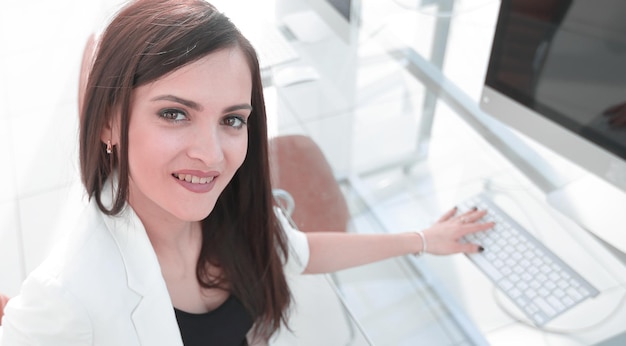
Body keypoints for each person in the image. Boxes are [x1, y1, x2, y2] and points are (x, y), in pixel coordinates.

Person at [0, 0, 492, 344]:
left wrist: (423, 239)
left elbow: (295, 250)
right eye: (175, 113)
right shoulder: (65, 298)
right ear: (108, 121)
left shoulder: (231, 209)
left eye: (232, 119)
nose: (212, 155)